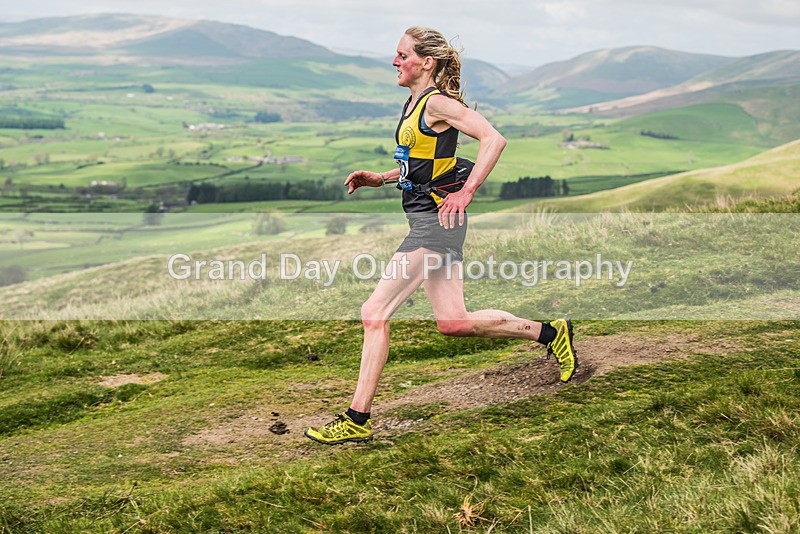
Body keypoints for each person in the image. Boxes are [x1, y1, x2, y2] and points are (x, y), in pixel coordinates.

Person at [304, 26, 577, 445]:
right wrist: (382, 177)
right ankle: (550, 332)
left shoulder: (437, 103)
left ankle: (357, 417)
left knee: (374, 312)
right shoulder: (413, 102)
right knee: (453, 322)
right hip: (426, 218)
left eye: (401, 55)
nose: (394, 61)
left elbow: (493, 139)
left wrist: (467, 193)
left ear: (425, 62)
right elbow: (425, 162)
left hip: (436, 222)